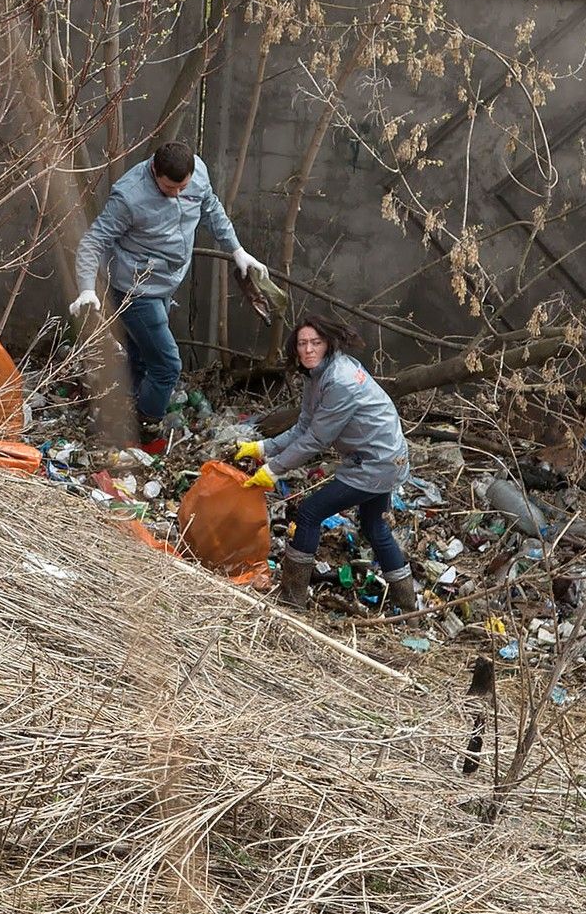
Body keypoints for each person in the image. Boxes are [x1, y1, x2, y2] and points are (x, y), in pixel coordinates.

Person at [71, 140, 268, 433]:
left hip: (167, 283)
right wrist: (86, 287)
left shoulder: (198, 172)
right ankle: (146, 423)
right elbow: (93, 241)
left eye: (182, 188)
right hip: (135, 289)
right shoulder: (129, 197)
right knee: (167, 366)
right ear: (153, 170)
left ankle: (121, 406)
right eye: (168, 189)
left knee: (140, 354)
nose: (176, 194)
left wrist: (236, 249)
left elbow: (210, 207)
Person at [234, 314, 416, 611]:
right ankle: (410, 610)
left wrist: (274, 469)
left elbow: (315, 440)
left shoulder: (341, 381)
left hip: (375, 463)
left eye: (315, 343)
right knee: (374, 527)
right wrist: (264, 448)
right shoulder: (317, 375)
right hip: (379, 458)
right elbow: (304, 426)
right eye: (302, 344)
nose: (308, 350)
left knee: (308, 513)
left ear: (328, 344)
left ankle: (292, 601)